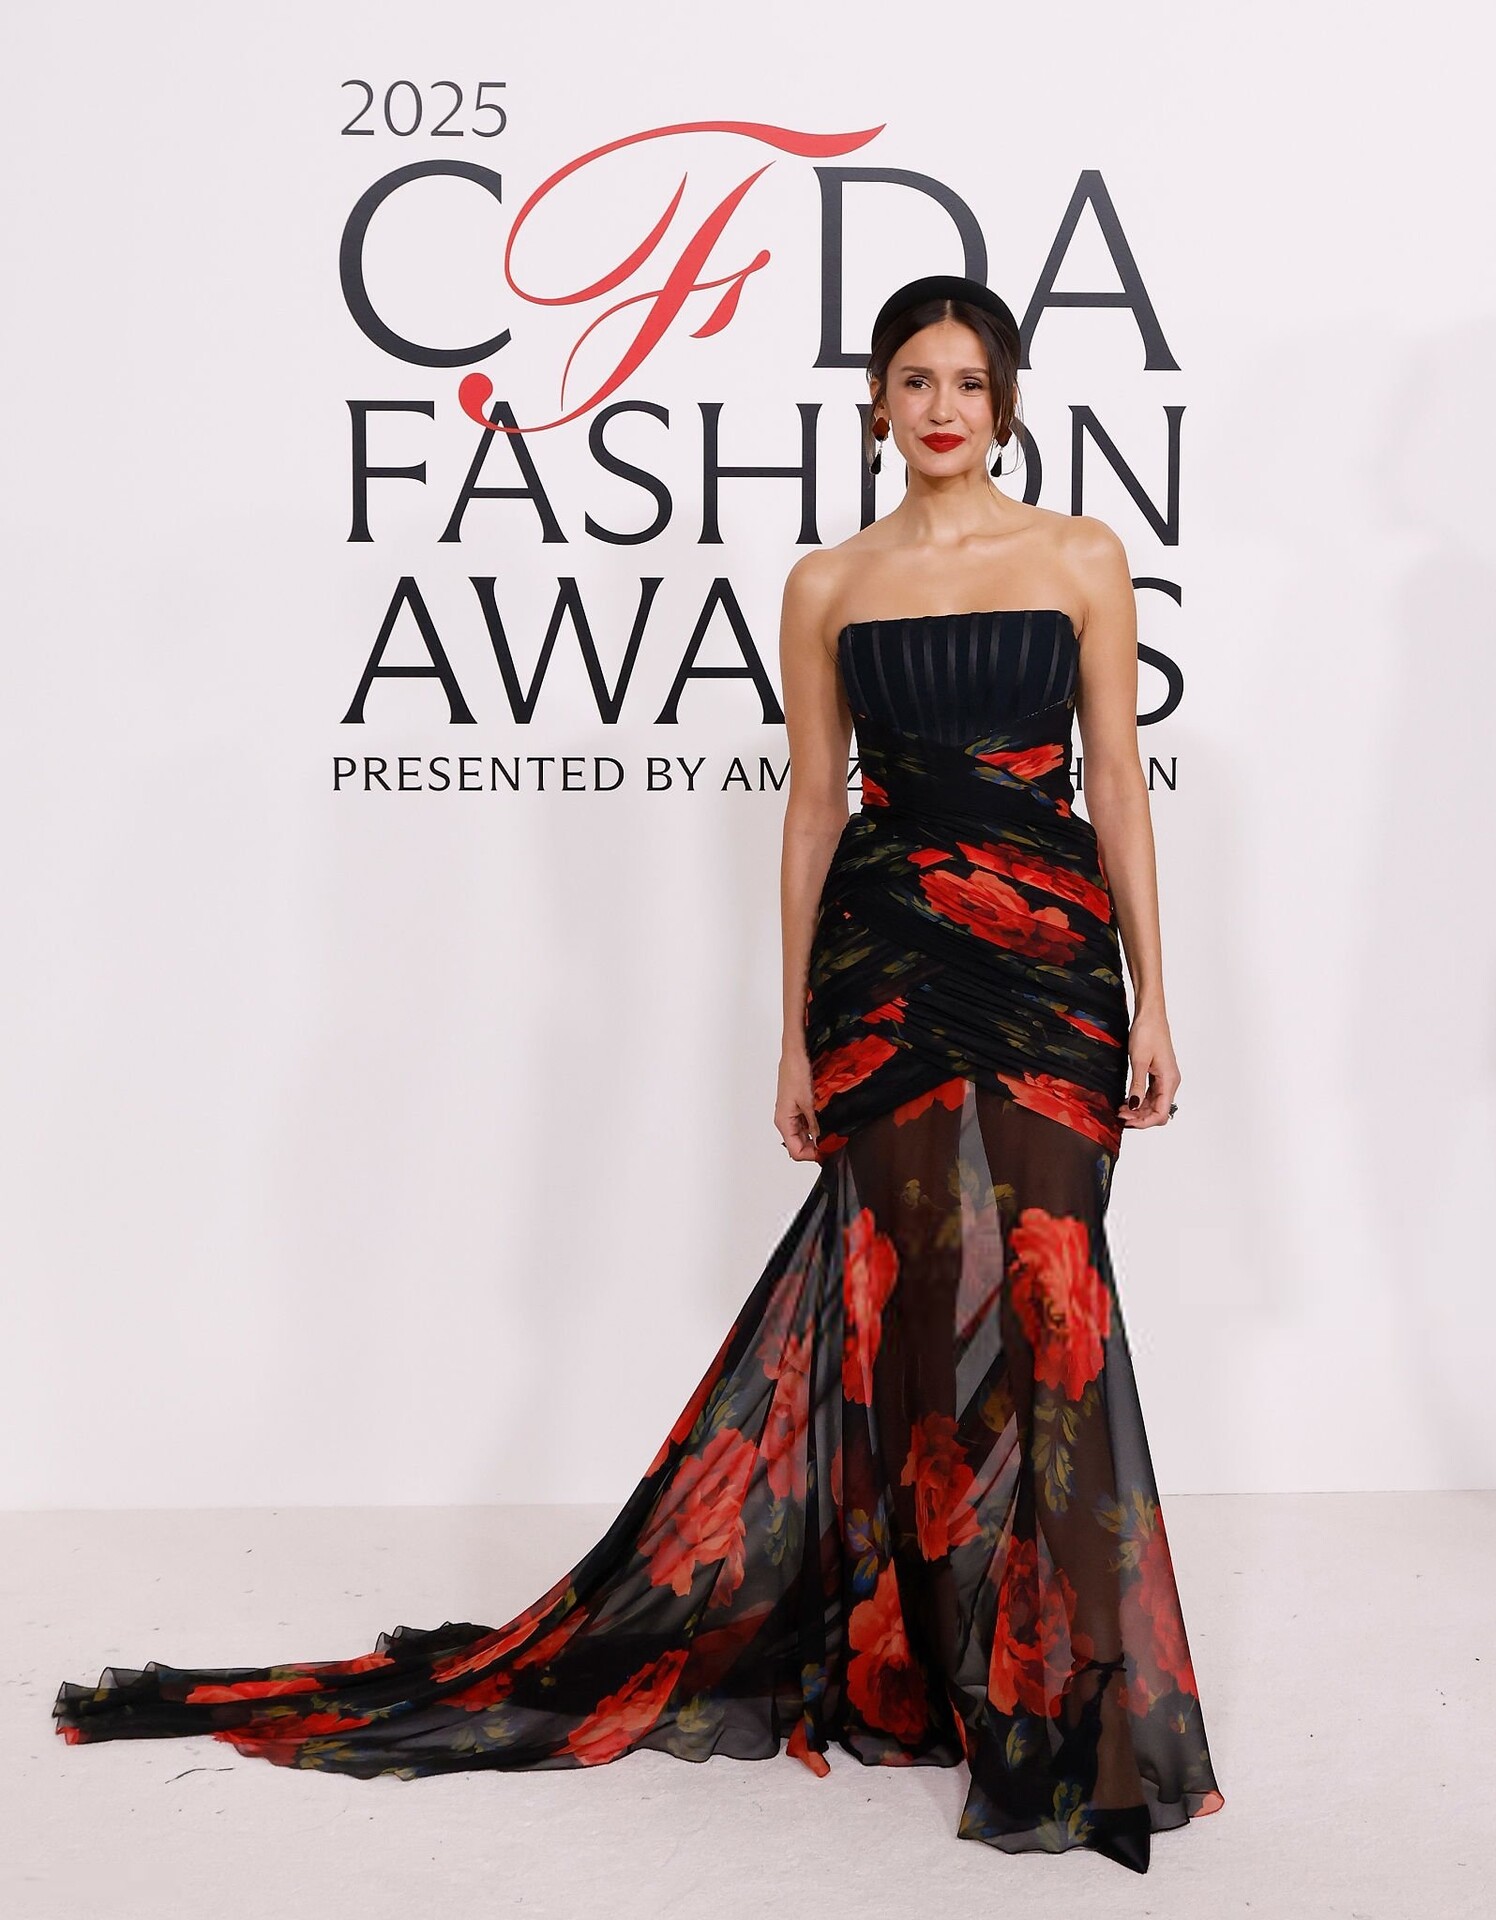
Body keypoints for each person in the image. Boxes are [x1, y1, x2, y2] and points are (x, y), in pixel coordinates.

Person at [52, 273, 1224, 1876]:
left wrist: (1156, 997)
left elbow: (1123, 793)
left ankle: (1077, 1700)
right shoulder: (827, 583)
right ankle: (944, 1679)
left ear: (1004, 401)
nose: (941, 406)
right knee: (916, 1315)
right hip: (885, 969)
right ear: (876, 404)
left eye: (967, 380)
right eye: (914, 379)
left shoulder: (1082, 555)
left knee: (1051, 1299)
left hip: (1048, 964)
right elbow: (814, 805)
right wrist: (790, 1027)